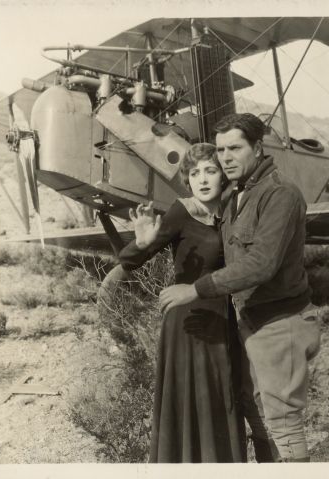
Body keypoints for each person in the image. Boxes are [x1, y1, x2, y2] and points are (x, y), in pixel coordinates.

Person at [159, 113, 321, 462]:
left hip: (280, 322)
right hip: (251, 320)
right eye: (220, 150)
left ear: (258, 148)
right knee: (257, 413)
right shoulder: (238, 194)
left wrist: (195, 289)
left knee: (283, 423)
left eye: (235, 148)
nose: (226, 157)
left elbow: (261, 264)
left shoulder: (279, 194)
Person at [117, 143, 245, 463]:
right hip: (188, 323)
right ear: (187, 180)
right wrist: (142, 241)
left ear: (224, 176)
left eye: (210, 171)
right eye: (194, 173)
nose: (202, 179)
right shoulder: (181, 210)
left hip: (224, 319)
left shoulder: (234, 214)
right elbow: (130, 261)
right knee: (195, 401)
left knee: (222, 399)